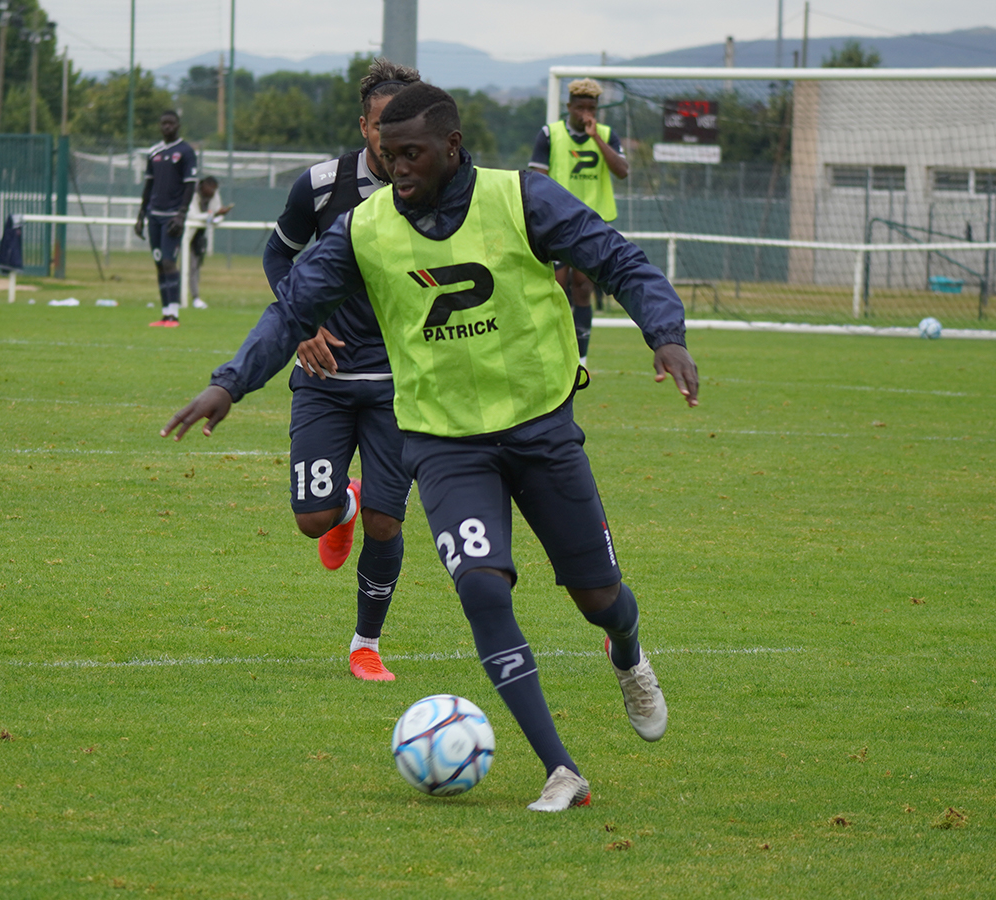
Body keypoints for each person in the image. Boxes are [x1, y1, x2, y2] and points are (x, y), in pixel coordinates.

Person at [161, 83, 699, 812]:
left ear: (451, 148)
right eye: (387, 156)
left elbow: (620, 262)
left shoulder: (523, 199)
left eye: (411, 154)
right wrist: (230, 384)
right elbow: (292, 309)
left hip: (541, 428)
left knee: (599, 597)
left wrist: (665, 333)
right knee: (481, 585)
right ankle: (560, 770)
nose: (397, 169)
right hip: (444, 443)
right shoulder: (365, 228)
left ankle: (627, 651)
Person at [258, 58, 421, 683]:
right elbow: (278, 252)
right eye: (382, 125)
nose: (391, 138)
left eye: (404, 125)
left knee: (390, 518)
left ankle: (365, 645)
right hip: (325, 379)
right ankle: (341, 507)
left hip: (398, 387)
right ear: (363, 125)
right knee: (313, 521)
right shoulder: (321, 187)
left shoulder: (436, 187)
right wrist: (300, 322)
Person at [529, 78, 628, 366]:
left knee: (583, 285)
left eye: (592, 107)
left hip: (593, 222)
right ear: (569, 106)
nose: (586, 112)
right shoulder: (550, 134)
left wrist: (596, 137)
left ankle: (581, 358)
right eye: (581, 106)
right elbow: (537, 177)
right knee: (556, 287)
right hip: (557, 221)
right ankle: (553, 352)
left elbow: (622, 171)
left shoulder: (607, 134)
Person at [135, 110, 198, 328]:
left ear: (178, 125)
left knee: (170, 262)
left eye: (171, 123)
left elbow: (190, 185)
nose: (167, 127)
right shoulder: (154, 152)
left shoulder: (186, 151)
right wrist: (141, 214)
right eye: (163, 123)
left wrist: (181, 214)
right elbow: (148, 185)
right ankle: (164, 314)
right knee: (160, 263)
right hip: (154, 216)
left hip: (172, 217)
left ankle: (174, 314)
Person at [187, 176, 234, 310]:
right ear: (203, 186)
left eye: (214, 189)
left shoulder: (214, 194)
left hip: (199, 234)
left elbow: (216, 213)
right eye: (210, 188)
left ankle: (194, 297)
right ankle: (179, 297)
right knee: (180, 267)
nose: (212, 192)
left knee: (194, 266)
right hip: (183, 232)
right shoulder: (192, 192)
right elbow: (193, 216)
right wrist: (213, 214)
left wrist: (217, 215)